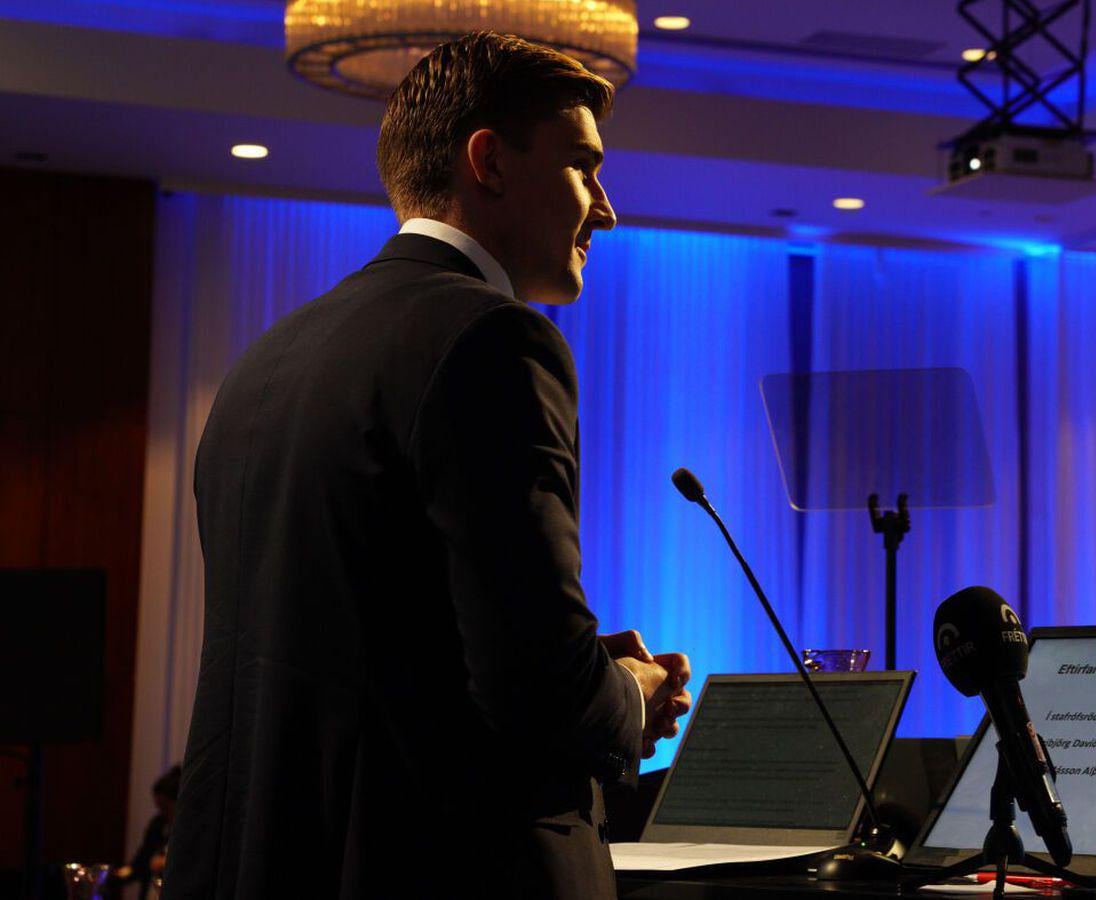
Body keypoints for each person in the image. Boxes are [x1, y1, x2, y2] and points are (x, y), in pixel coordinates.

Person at [163, 32, 691, 900]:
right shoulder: (495, 339)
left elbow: (360, 642)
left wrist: (579, 662)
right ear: (489, 162)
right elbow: (531, 689)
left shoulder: (268, 358)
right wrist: (629, 694)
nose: (605, 208)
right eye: (582, 166)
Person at [113, 766, 180, 898]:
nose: (162, 813)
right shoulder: (158, 824)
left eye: (165, 808)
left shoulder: (188, 831)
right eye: (159, 807)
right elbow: (141, 861)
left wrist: (166, 862)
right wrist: (117, 875)